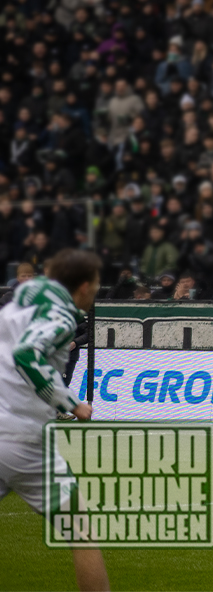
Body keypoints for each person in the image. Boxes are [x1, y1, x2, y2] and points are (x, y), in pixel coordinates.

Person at [0, 249, 110, 591]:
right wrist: (72, 404)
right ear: (83, 286)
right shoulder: (62, 318)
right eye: (96, 284)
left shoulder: (22, 300)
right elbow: (27, 355)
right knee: (82, 534)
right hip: (23, 439)